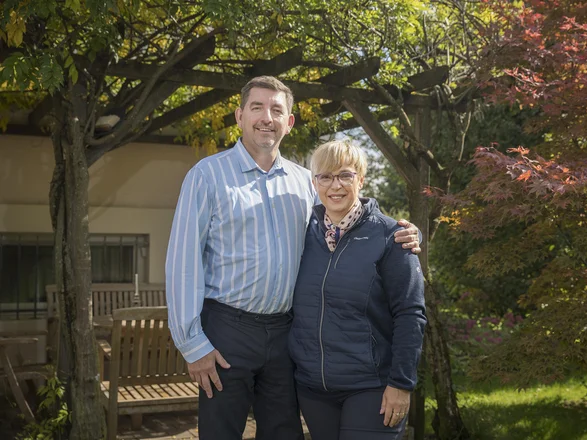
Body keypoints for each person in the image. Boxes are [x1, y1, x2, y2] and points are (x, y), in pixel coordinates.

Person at [165, 76, 421, 440]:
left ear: (290, 122)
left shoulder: (306, 181)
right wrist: (192, 344)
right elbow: (182, 263)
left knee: (284, 431)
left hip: (286, 336)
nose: (266, 117)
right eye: (256, 108)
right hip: (226, 332)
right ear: (239, 116)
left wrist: (406, 235)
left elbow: (348, 216)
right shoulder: (207, 176)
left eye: (276, 110)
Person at [289, 139, 427, 440]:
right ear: (315, 183)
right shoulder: (302, 234)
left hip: (372, 388)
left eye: (345, 175)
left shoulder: (392, 237)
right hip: (314, 391)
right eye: (325, 176)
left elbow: (410, 314)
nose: (334, 185)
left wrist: (401, 384)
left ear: (360, 180)